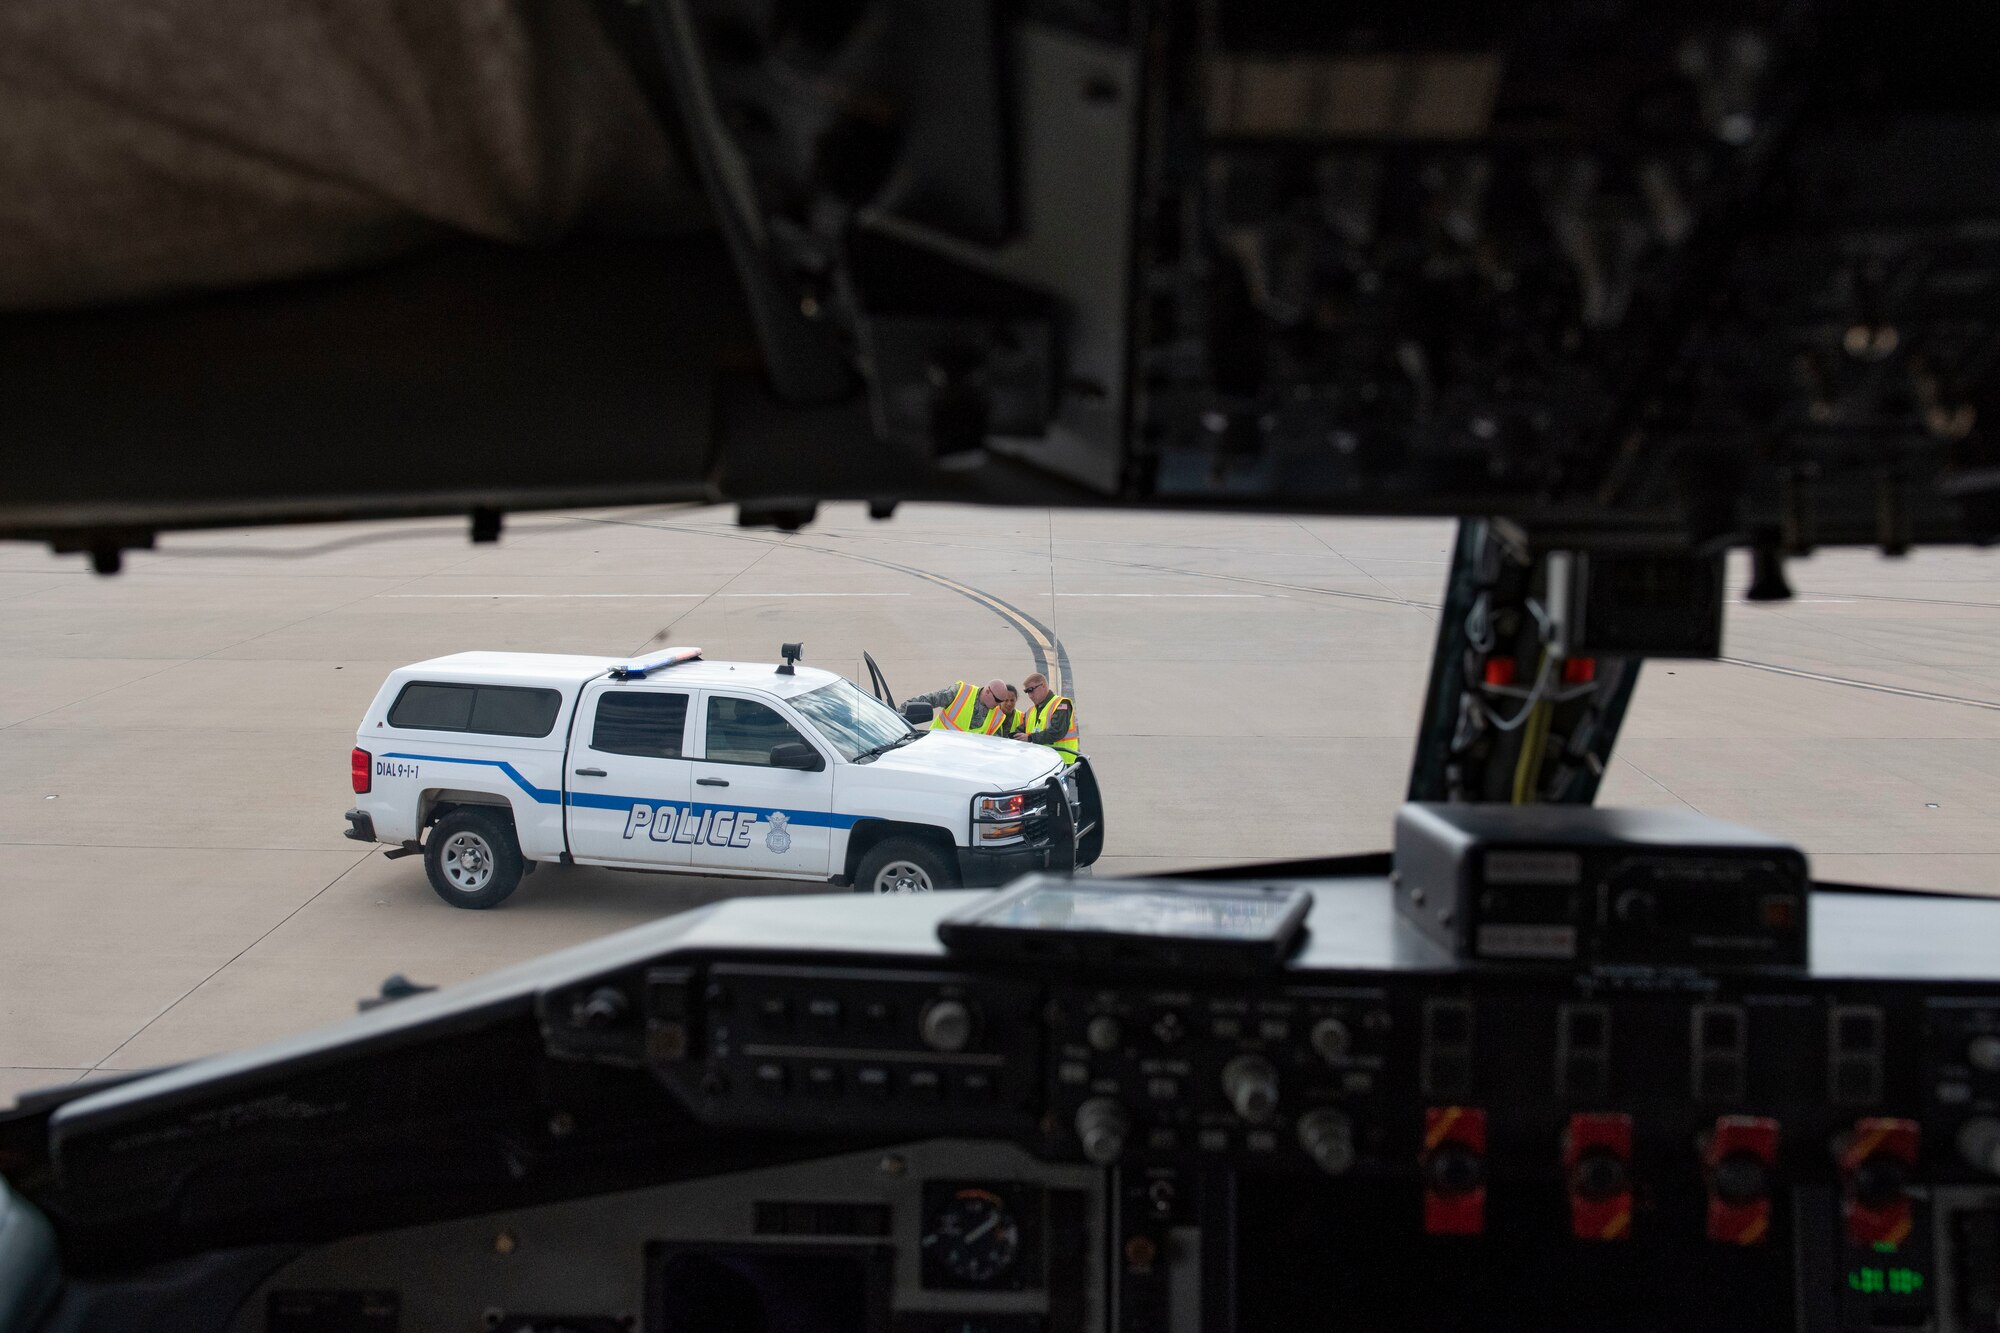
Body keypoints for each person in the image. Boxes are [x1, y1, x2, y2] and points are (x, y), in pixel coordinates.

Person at [1013, 672, 1079, 764]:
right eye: (1027, 692)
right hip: (1042, 763)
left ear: (1043, 685)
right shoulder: (1031, 711)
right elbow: (1021, 730)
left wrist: (1030, 738)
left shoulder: (1061, 704)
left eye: (1031, 690)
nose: (1030, 695)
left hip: (1063, 762)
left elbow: (1057, 731)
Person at [903, 678, 1010, 734]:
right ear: (987, 691)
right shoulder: (961, 692)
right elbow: (930, 699)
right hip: (937, 749)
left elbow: (993, 746)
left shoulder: (997, 716)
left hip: (965, 764)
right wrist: (899, 712)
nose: (999, 705)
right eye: (997, 700)